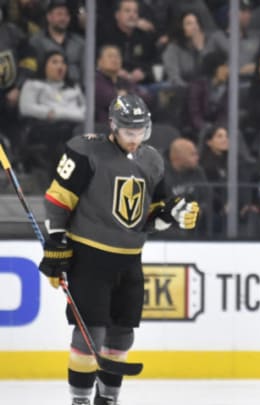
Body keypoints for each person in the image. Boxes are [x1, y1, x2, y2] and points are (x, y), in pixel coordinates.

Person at [37, 94, 200, 405]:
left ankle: (108, 398)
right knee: (91, 334)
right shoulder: (86, 150)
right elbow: (58, 199)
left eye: (140, 131)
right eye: (128, 131)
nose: (135, 138)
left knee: (123, 333)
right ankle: (81, 400)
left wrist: (175, 215)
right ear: (113, 126)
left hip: (129, 260)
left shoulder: (151, 159)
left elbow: (154, 213)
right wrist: (57, 241)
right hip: (90, 258)